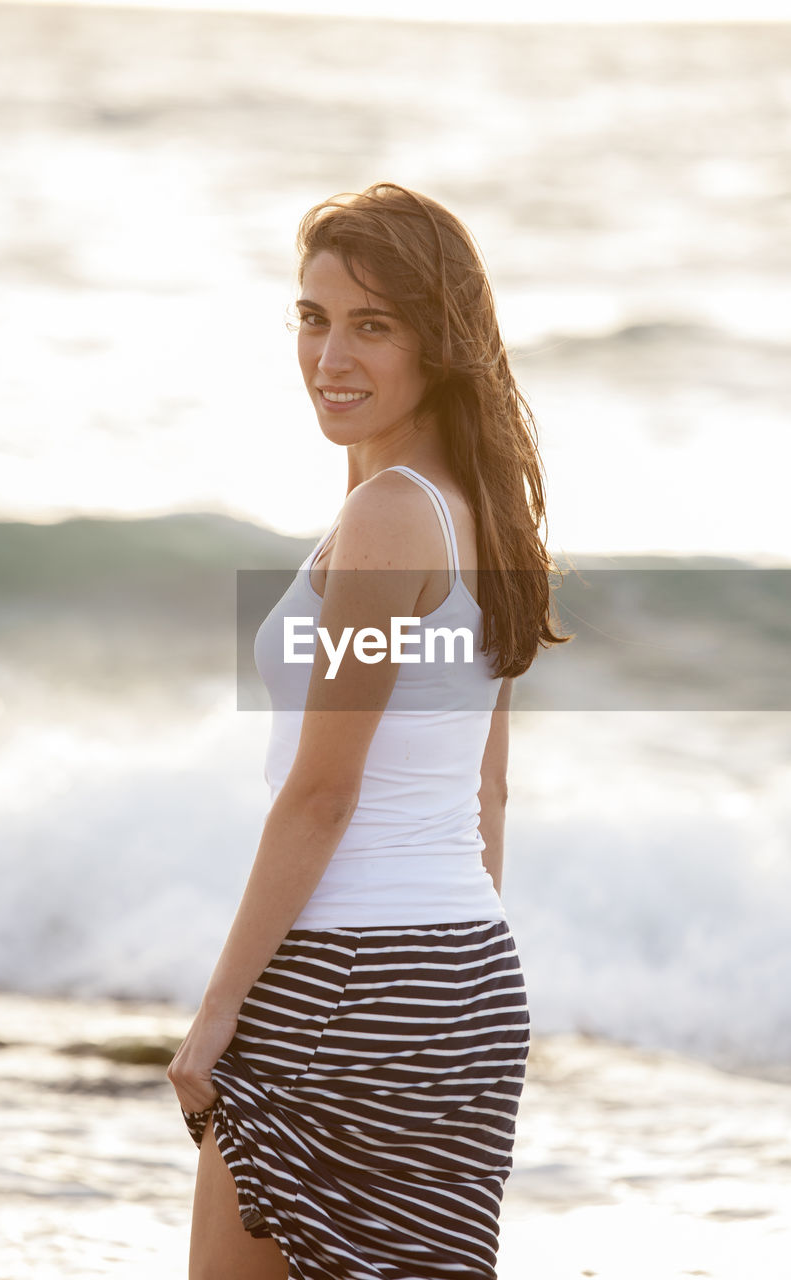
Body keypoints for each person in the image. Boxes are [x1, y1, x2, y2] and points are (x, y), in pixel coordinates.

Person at [167, 182, 568, 1280]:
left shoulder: (390, 516)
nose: (329, 354)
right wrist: (437, 986)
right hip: (468, 975)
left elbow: (322, 791)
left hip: (347, 973)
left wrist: (216, 1016)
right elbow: (484, 793)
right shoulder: (484, 513)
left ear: (438, 344)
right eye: (311, 317)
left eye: (370, 324)